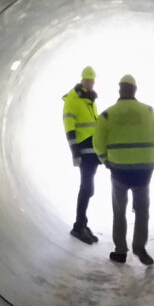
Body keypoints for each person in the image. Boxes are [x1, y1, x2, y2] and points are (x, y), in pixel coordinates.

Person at [93, 74, 154, 265]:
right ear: (135, 90)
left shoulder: (108, 114)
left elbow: (98, 141)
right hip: (143, 171)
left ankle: (120, 250)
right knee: (142, 211)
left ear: (120, 89)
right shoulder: (148, 112)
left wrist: (105, 160)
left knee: (119, 211)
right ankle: (140, 248)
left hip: (119, 171)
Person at [62, 66, 100, 244]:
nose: (90, 84)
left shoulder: (89, 100)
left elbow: (95, 124)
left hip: (92, 151)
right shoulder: (73, 99)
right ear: (82, 80)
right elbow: (69, 128)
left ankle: (83, 223)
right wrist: (75, 152)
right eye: (88, 81)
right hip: (83, 151)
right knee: (86, 188)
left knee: (89, 188)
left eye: (92, 81)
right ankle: (78, 226)